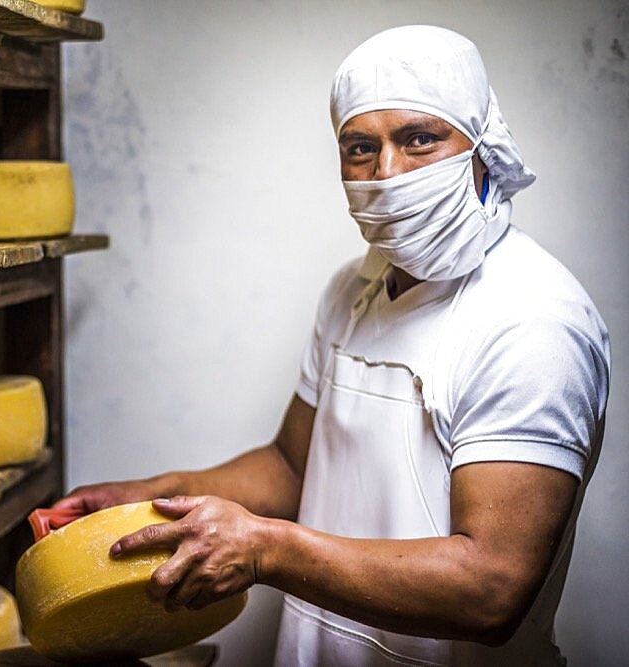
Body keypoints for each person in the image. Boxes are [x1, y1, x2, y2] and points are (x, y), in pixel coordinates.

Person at [52, 25, 610, 666]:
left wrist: (265, 550)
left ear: (482, 148)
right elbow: (293, 467)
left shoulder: (532, 320)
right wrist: (149, 502)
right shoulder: (353, 288)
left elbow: (490, 588)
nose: (388, 173)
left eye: (420, 138)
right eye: (360, 148)